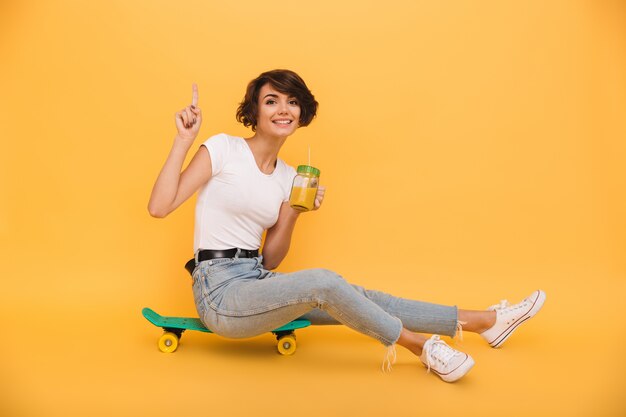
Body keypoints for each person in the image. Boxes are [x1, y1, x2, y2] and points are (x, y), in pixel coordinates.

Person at [147, 69, 546, 382]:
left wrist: (293, 214)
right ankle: (420, 347)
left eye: (292, 102)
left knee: (360, 297)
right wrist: (183, 141)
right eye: (271, 101)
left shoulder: (289, 177)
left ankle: (485, 322)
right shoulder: (223, 148)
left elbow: (269, 260)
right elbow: (159, 207)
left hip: (256, 280)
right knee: (324, 282)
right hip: (218, 292)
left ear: (302, 113)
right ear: (254, 111)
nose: (283, 108)